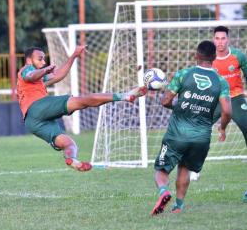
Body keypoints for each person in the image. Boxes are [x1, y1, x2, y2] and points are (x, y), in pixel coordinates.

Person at [17, 46, 147, 171]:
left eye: (44, 59)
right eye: (40, 59)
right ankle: (124, 95)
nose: (44, 62)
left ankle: (72, 160)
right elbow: (30, 75)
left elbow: (58, 75)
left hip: (32, 122)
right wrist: (45, 70)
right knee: (83, 101)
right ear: (29, 60)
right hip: (38, 106)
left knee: (69, 144)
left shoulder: (39, 79)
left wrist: (73, 56)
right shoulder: (27, 69)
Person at [151, 40, 232, 215]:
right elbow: (227, 110)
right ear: (214, 57)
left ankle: (163, 192)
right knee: (185, 168)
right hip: (201, 138)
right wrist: (223, 127)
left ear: (196, 55)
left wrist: (176, 105)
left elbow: (165, 101)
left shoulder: (183, 74)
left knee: (161, 169)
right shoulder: (221, 82)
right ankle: (179, 206)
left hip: (177, 134)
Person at [190, 26, 247, 182]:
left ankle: (223, 128)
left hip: (235, 98)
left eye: (223, 38)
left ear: (228, 39)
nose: (220, 42)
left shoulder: (238, 56)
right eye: (217, 38)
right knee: (199, 130)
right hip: (213, 100)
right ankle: (195, 167)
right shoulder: (208, 58)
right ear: (213, 39)